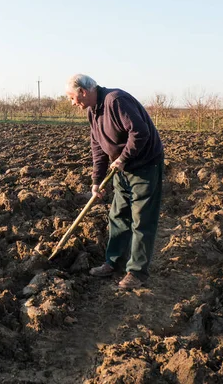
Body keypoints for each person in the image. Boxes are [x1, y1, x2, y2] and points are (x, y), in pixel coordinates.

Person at [65, 74, 164, 289]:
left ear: (83, 91)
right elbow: (98, 148)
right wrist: (96, 180)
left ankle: (137, 272)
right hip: (121, 168)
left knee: (142, 218)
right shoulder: (93, 112)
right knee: (118, 214)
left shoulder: (116, 100)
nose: (73, 103)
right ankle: (113, 262)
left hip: (145, 165)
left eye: (73, 98)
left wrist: (123, 158)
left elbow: (140, 132)